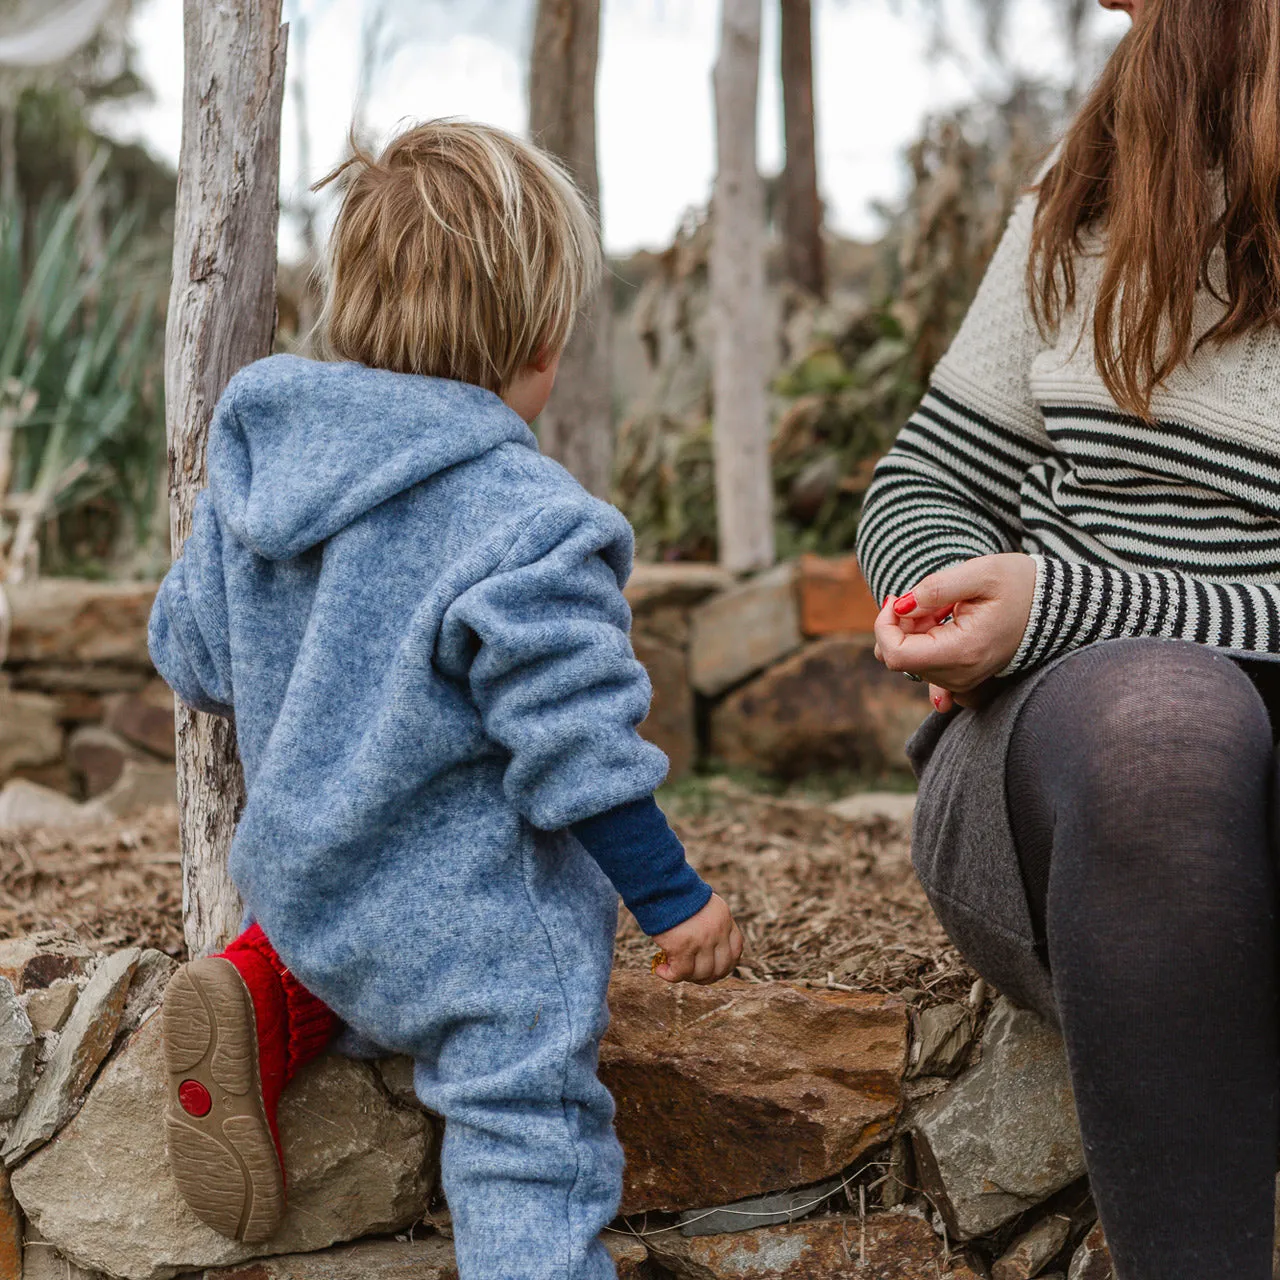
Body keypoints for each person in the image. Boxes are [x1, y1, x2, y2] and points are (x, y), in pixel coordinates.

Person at [148, 120, 743, 1280]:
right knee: (529, 1135)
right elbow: (576, 749)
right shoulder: (530, 521)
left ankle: (277, 992)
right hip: (475, 942)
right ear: (542, 339)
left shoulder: (265, 463)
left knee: (354, 969)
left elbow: (190, 655)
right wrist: (675, 901)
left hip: (310, 900)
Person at [856, 0, 1280, 1276]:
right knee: (1163, 727)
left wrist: (1071, 602)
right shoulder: (1095, 180)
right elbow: (923, 477)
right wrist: (941, 594)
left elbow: (1076, 601)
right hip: (1080, 796)